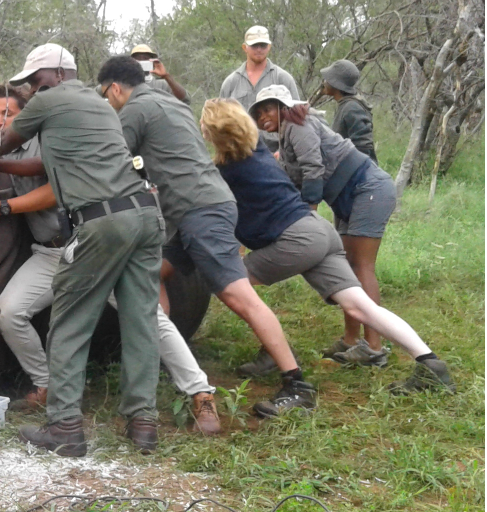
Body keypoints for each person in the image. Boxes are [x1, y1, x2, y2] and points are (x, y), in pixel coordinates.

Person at [0, 84, 222, 435]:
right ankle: (46, 386)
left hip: (88, 242)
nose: (1, 121)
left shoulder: (55, 136)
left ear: (29, 115)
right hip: (48, 252)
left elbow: (55, 189)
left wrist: (7, 205)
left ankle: (200, 393)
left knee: (142, 316)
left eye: (9, 115)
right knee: (10, 311)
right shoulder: (0, 143)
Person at [0, 43, 166, 456]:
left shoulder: (51, 100)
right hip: (144, 214)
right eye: (29, 84)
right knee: (140, 321)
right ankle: (143, 424)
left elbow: (2, 143)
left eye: (35, 80)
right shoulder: (99, 103)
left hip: (102, 222)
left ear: (56, 75)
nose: (31, 89)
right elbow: (42, 164)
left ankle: (65, 426)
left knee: (68, 322)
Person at [97, 56, 313, 418]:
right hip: (191, 210)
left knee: (238, 296)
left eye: (106, 95)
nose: (109, 102)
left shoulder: (135, 109)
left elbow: (112, 162)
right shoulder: (171, 102)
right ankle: (160, 361)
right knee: (151, 275)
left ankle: (297, 383)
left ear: (116, 88)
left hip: (199, 211)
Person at [200, 98, 454, 393]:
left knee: (232, 285)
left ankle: (275, 352)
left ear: (213, 133)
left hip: (298, 238)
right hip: (319, 231)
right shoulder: (256, 149)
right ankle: (431, 365)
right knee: (361, 307)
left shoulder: (226, 170)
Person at [250, 84, 397, 367]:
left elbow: (313, 167)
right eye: (258, 113)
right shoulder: (284, 136)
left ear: (283, 106)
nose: (263, 116)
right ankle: (351, 341)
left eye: (268, 108)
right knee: (348, 270)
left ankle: (374, 348)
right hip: (345, 197)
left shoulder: (297, 123)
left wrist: (310, 213)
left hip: (367, 188)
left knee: (361, 266)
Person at [219, 25, 300, 154]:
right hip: (241, 151)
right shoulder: (230, 83)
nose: (259, 49)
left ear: (269, 47)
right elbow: (221, 122)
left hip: (276, 151)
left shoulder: (283, 78)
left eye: (263, 45)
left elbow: (297, 117)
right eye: (254, 45)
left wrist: (283, 152)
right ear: (245, 47)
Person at [321, 59, 378, 163]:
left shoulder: (352, 108)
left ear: (336, 84)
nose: (324, 81)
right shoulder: (345, 104)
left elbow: (363, 149)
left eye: (328, 79)